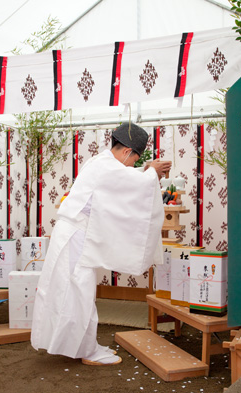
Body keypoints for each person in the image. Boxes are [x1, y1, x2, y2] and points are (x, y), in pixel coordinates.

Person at [31, 123, 171, 366]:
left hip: (73, 234)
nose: (132, 164)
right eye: (134, 159)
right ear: (128, 152)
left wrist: (147, 170)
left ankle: (79, 345)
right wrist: (151, 173)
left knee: (74, 291)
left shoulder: (101, 162)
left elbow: (126, 178)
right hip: (75, 236)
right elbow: (131, 182)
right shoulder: (107, 166)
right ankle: (86, 350)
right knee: (79, 292)